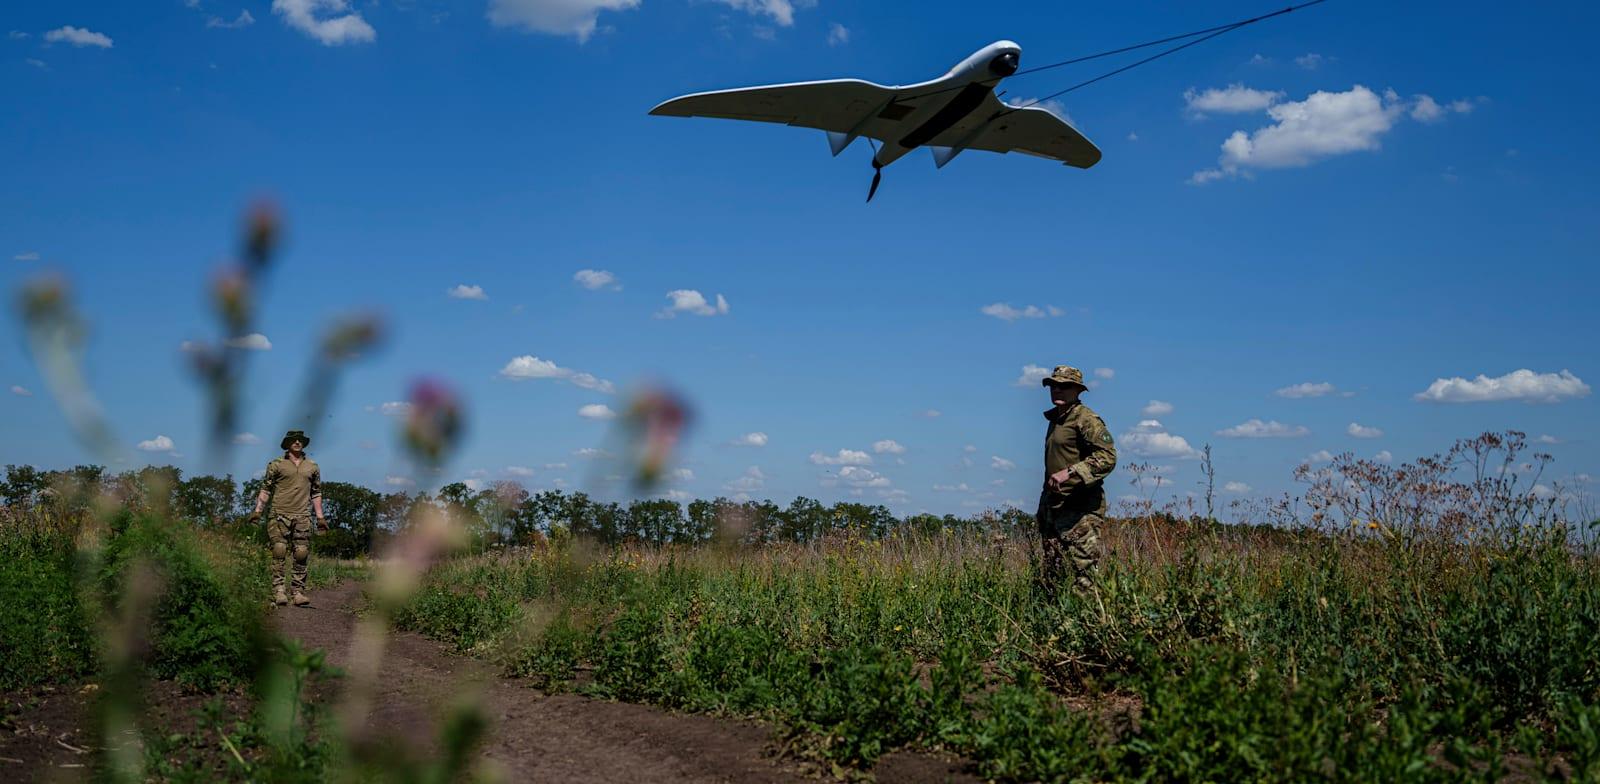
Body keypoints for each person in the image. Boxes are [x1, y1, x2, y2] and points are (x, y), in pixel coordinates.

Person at [1035, 366, 1117, 594]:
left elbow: (1107, 457)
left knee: (1085, 574)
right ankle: (1055, 622)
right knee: (1054, 572)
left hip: (1080, 510)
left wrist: (1070, 472)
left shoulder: (1086, 419)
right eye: (1053, 385)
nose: (1057, 390)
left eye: (1065, 386)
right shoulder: (1057, 419)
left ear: (1078, 390)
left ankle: (1090, 624)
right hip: (1055, 507)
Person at [248, 430, 326, 606]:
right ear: (287, 443)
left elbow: (316, 492)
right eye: (293, 439)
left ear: (304, 443)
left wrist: (320, 518)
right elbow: (266, 488)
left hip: (303, 516)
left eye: (300, 440)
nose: (297, 442)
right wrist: (258, 511)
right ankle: (279, 591)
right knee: (279, 550)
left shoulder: (312, 466)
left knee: (301, 553)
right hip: (279, 514)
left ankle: (298, 593)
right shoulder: (276, 464)